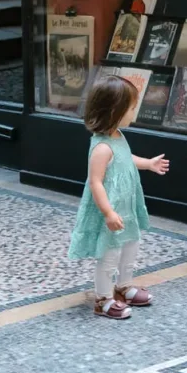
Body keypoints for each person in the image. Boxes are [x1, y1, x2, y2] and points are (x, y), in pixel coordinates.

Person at [68, 73, 169, 319]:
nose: (134, 113)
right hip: (111, 212)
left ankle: (124, 286)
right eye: (131, 108)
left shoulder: (118, 137)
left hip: (127, 209)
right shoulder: (101, 147)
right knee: (109, 255)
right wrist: (108, 212)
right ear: (114, 110)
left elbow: (125, 160)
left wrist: (148, 163)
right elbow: (96, 183)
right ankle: (103, 298)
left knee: (130, 248)